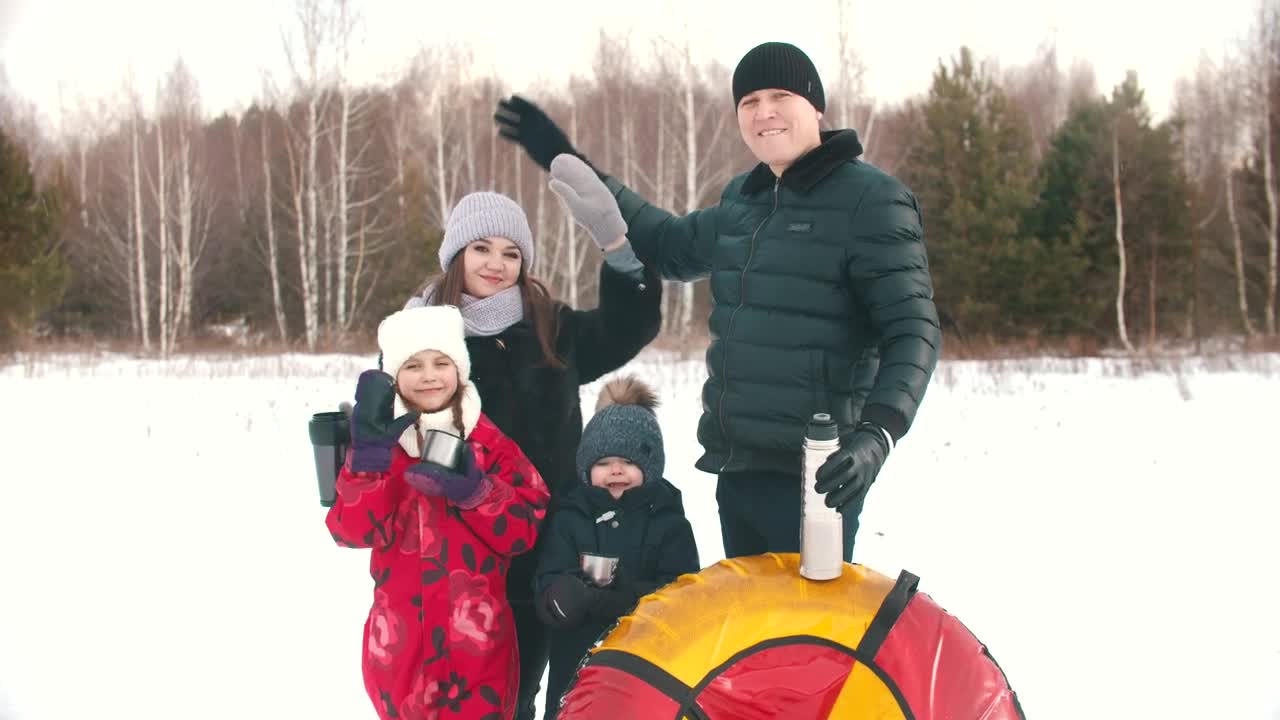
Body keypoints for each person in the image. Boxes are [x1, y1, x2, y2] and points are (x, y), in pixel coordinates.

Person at [495, 41, 941, 562]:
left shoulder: (871, 200)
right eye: (749, 102)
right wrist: (566, 158)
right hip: (737, 470)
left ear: (816, 106)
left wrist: (876, 436)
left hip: (816, 476)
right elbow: (664, 243)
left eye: (780, 96)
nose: (764, 112)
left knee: (801, 617)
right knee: (745, 615)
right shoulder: (744, 201)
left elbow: (913, 330)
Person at [404, 191, 662, 718]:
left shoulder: (551, 326)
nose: (496, 264)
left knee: (525, 691)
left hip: (546, 548)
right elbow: (398, 431)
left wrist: (618, 248)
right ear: (456, 253)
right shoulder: (423, 335)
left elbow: (627, 328)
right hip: (457, 556)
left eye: (511, 253)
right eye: (481, 248)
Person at [325, 305, 550, 720]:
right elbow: (350, 531)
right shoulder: (381, 446)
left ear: (459, 369)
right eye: (413, 365)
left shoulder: (488, 442)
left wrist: (477, 493)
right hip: (400, 647)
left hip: (479, 646)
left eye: (441, 363)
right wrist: (369, 461)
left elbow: (524, 528)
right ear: (394, 375)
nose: (429, 376)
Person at [533, 376, 699, 719]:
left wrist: (628, 597)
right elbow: (546, 583)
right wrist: (561, 596)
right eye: (603, 462)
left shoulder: (669, 523)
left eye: (628, 461)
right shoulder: (569, 516)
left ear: (649, 466)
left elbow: (686, 596)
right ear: (586, 468)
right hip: (575, 668)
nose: (616, 471)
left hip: (648, 666)